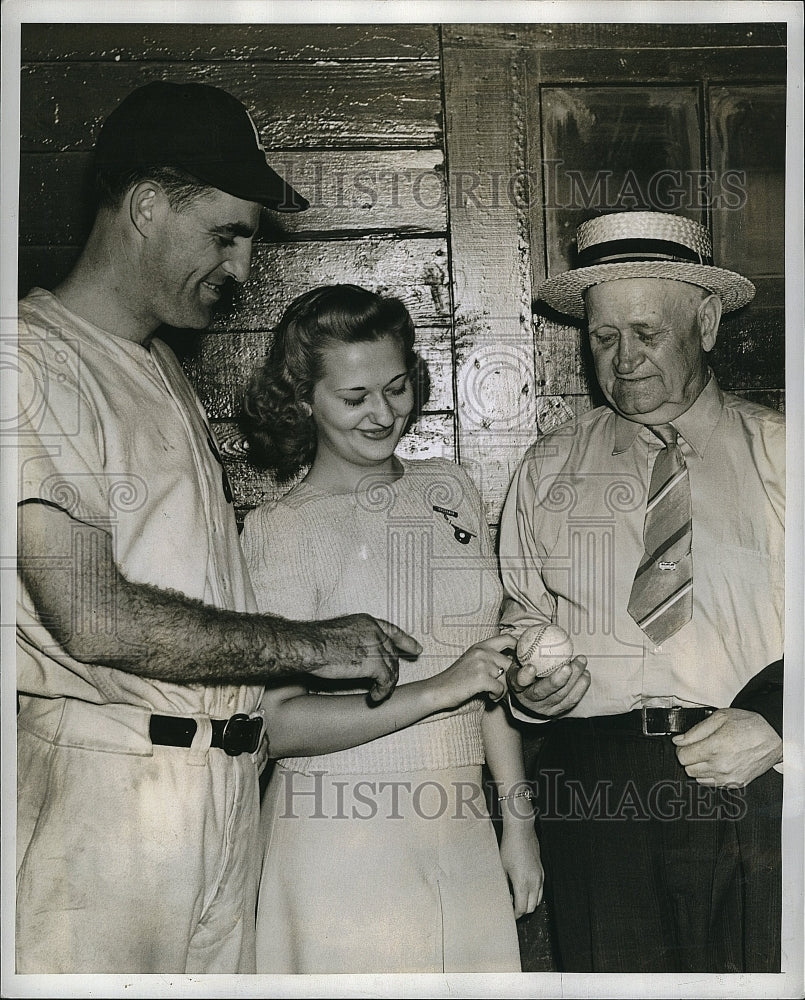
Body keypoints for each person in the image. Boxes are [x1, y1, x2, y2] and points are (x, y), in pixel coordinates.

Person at [15, 81, 419, 975]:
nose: (241, 267)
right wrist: (309, 645)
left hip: (224, 792)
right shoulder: (31, 360)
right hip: (110, 798)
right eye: (225, 234)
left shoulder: (156, 365)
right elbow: (94, 617)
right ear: (149, 207)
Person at [498, 210, 784, 973]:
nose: (622, 360)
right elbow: (519, 623)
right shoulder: (547, 469)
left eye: (646, 333)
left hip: (751, 783)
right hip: (595, 797)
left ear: (708, 321)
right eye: (602, 337)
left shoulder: (785, 456)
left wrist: (784, 724)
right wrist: (531, 686)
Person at [239, 284, 543, 974]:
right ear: (301, 400)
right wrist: (440, 688)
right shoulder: (282, 528)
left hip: (461, 818)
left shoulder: (449, 487)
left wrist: (518, 823)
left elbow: (486, 666)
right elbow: (277, 724)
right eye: (355, 399)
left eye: (398, 387)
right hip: (338, 833)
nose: (384, 413)